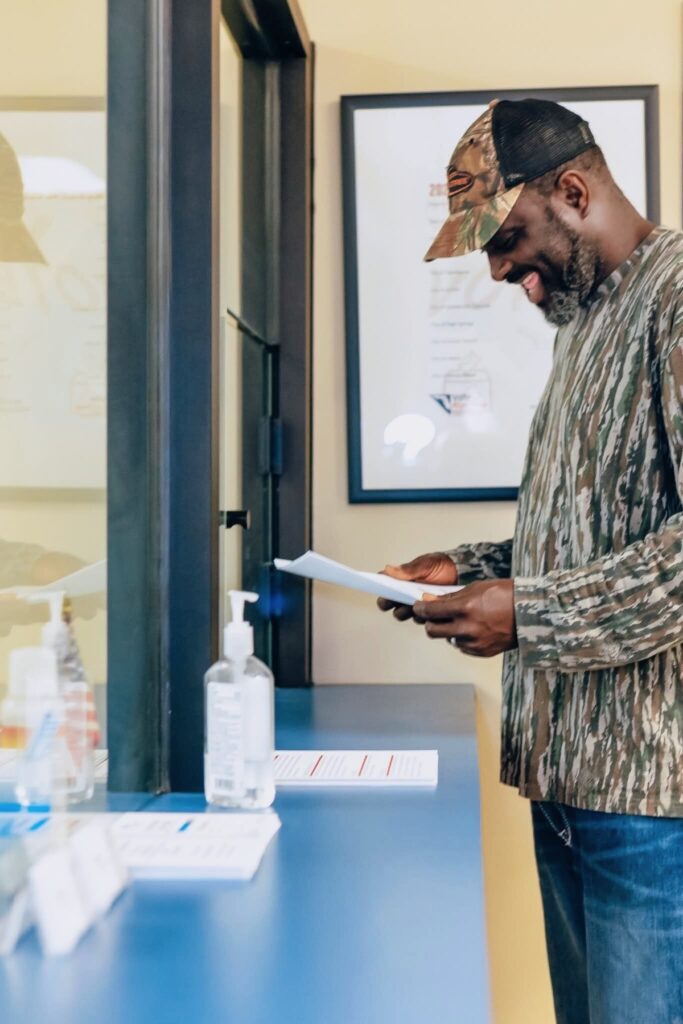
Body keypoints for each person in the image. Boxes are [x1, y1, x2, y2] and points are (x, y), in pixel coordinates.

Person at [378, 98, 683, 1024]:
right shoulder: (587, 323)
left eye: (507, 238)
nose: (500, 267)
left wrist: (529, 614)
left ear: (575, 190)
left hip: (650, 807)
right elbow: (597, 531)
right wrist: (468, 568)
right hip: (566, 787)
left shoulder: (674, 301)